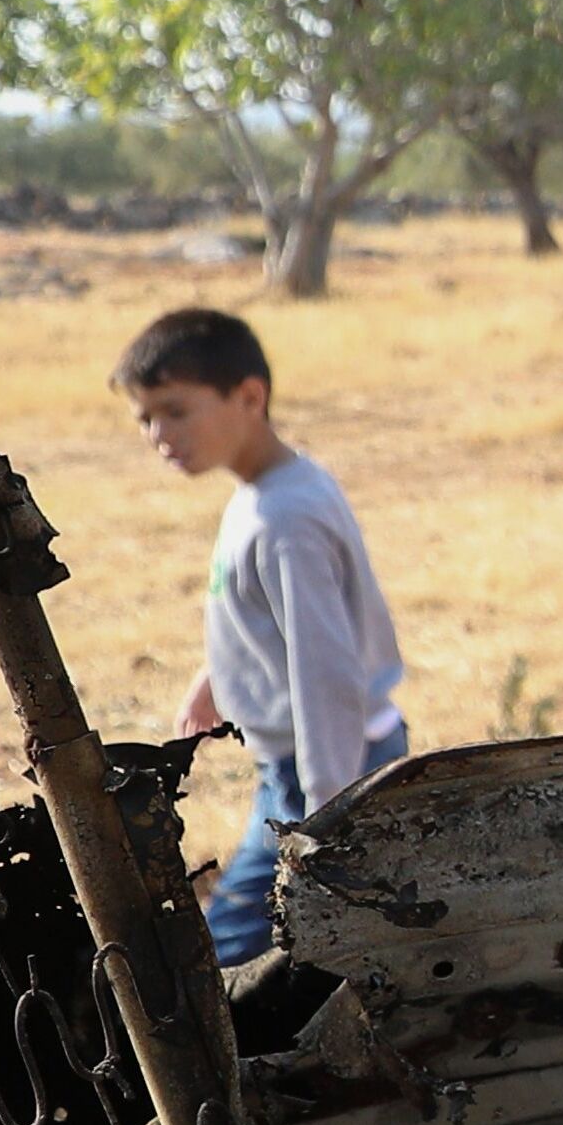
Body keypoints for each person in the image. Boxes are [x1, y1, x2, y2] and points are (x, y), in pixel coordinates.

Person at [119, 306, 410, 969]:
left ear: (249, 397)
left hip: (329, 768)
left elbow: (326, 670)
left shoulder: (285, 518)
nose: (159, 435)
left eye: (175, 411)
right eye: (144, 418)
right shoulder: (271, 490)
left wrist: (326, 815)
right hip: (306, 763)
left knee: (237, 948)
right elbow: (264, 619)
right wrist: (213, 678)